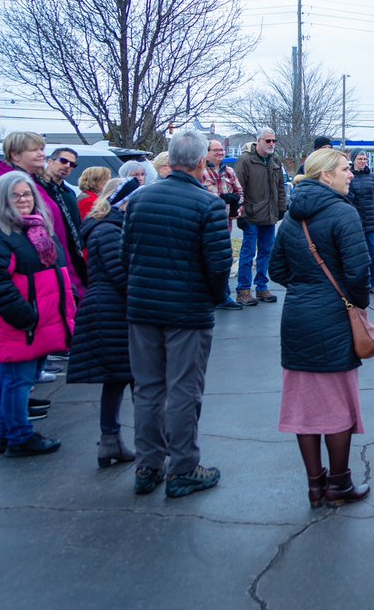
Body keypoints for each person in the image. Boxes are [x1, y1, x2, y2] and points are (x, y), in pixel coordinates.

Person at [123, 130, 232, 498]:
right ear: (202, 162)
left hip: (143, 309)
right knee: (184, 390)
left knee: (148, 390)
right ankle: (182, 467)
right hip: (187, 312)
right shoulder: (209, 205)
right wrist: (213, 299)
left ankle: (148, 465)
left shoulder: (139, 199)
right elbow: (218, 266)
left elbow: (127, 255)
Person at [269, 149, 373, 507]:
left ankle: (316, 487)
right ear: (326, 175)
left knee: (304, 406)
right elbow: (360, 274)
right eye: (345, 169)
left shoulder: (292, 216)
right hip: (333, 318)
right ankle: (340, 485)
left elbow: (276, 270)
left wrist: (305, 286)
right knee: (339, 404)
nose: (350, 175)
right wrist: (353, 301)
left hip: (297, 315)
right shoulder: (344, 213)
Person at [0, 170, 75, 457]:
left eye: (27, 194)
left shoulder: (35, 229)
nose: (23, 200)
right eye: (14, 195)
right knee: (17, 381)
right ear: (0, 200)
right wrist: (27, 317)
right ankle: (19, 437)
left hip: (39, 322)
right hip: (20, 323)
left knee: (13, 380)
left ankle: (4, 435)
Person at [66, 177, 140, 467]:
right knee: (135, 377)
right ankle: (147, 443)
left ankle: (111, 441)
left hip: (107, 308)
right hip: (112, 311)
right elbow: (120, 275)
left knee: (118, 378)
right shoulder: (109, 230)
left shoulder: (105, 227)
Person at [234, 128, 287, 306]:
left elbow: (280, 187)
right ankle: (243, 290)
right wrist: (240, 213)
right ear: (259, 141)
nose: (271, 144)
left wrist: (281, 208)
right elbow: (237, 188)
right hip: (251, 215)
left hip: (269, 215)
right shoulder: (246, 160)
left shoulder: (275, 161)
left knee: (266, 252)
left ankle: (262, 287)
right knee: (248, 253)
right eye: (268, 141)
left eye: (274, 141)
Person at [35, 147, 88, 298]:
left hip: (73, 258)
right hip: (48, 257)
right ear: (49, 161)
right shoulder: (37, 190)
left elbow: (77, 225)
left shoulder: (69, 193)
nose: (67, 166)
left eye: (72, 164)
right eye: (64, 161)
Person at [202, 139, 244, 311]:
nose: (220, 153)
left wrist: (235, 205)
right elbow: (199, 195)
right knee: (207, 260)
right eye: (215, 150)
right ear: (206, 152)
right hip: (206, 224)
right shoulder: (200, 172)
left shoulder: (228, 171)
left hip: (224, 224)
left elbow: (240, 192)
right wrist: (221, 199)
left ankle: (224, 296)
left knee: (224, 260)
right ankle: (208, 297)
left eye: (221, 150)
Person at [347, 149, 374, 294]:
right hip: (354, 222)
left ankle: (373, 282)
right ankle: (358, 283)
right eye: (360, 159)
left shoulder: (373, 177)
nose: (363, 161)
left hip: (371, 222)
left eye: (365, 159)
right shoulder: (348, 176)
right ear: (354, 160)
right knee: (355, 255)